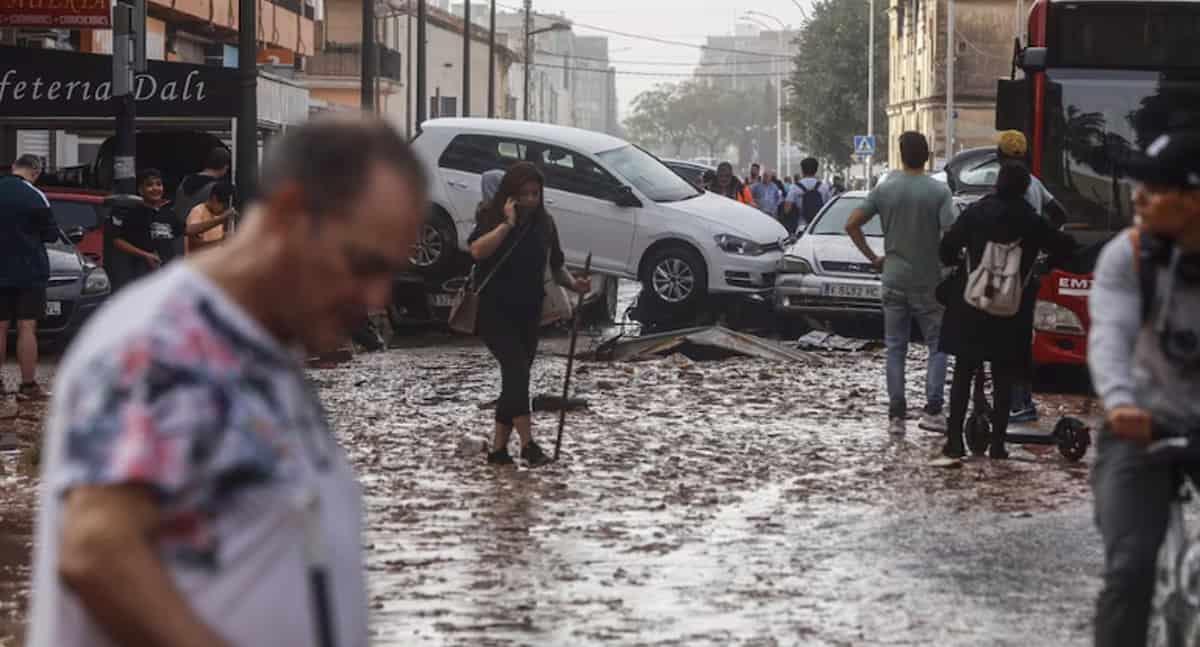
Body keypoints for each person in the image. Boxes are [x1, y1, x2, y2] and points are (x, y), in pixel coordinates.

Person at [27, 116, 428, 647]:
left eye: (389, 272)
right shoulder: (166, 341)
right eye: (362, 263)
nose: (375, 297)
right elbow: (97, 550)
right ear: (288, 215)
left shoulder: (260, 350)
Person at [1089, 132, 1200, 647]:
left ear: (1193, 199)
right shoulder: (1127, 256)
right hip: (1142, 426)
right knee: (1129, 567)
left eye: (1154, 189)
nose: (1138, 197)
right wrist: (1120, 403)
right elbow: (1109, 335)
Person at [937, 162, 1076, 459]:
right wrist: (1040, 266)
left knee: (963, 371)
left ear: (997, 183)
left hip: (971, 306)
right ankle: (998, 445)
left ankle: (954, 442)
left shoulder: (976, 212)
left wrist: (963, 261)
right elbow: (1066, 248)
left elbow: (946, 247)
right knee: (1004, 374)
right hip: (1011, 311)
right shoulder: (1032, 221)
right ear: (1026, 188)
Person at [469, 162, 590, 467]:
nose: (531, 200)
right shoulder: (491, 217)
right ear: (510, 195)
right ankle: (528, 445)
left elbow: (556, 265)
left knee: (515, 382)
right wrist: (507, 224)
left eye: (536, 194)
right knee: (517, 373)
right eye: (524, 194)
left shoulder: (545, 224)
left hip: (528, 314)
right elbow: (477, 251)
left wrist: (575, 284)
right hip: (494, 312)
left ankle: (498, 451)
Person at [845, 132, 956, 435]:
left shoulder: (885, 189)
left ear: (900, 154)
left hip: (892, 277)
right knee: (937, 345)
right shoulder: (939, 192)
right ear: (927, 156)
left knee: (895, 348)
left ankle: (896, 415)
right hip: (929, 281)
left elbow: (851, 224)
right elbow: (952, 232)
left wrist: (874, 257)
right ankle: (933, 410)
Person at [993, 130, 1068, 424]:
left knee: (1005, 339)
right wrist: (1041, 248)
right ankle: (1018, 401)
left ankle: (1016, 403)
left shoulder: (1009, 187)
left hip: (1007, 274)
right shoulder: (1035, 183)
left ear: (999, 156)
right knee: (1020, 337)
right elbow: (1059, 213)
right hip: (1029, 273)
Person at [0, 154, 56, 403]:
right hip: (30, 271)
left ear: (14, 168)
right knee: (27, 327)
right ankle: (28, 385)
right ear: (36, 172)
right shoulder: (35, 195)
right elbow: (51, 234)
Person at [107, 169, 173, 291]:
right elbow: (117, 241)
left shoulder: (167, 214)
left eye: (159, 184)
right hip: (139, 276)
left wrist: (218, 219)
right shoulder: (131, 213)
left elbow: (187, 230)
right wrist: (145, 255)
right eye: (149, 185)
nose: (155, 188)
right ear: (140, 190)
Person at [784, 157, 834, 235]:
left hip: (801, 226)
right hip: (818, 226)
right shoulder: (824, 187)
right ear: (816, 170)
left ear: (802, 170)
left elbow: (787, 209)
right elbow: (829, 207)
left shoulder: (795, 187)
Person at [184, 182, 235, 255]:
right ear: (214, 198)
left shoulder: (220, 215)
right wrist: (220, 242)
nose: (224, 209)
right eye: (224, 205)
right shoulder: (198, 212)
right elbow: (194, 247)